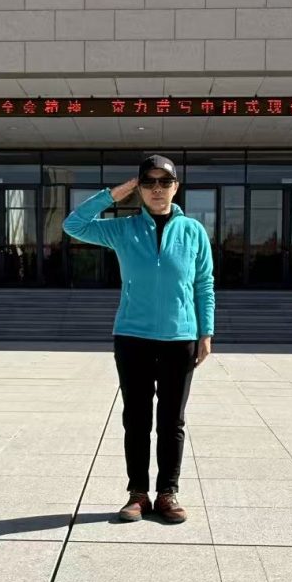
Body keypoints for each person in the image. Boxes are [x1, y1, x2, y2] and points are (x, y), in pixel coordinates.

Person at [63, 154, 215, 524]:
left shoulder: (193, 231)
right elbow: (73, 224)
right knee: (136, 419)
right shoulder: (123, 229)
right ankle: (138, 494)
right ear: (139, 188)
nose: (157, 189)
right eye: (148, 182)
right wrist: (115, 194)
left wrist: (206, 332)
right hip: (133, 337)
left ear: (176, 187)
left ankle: (167, 493)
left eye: (165, 182)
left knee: (172, 421)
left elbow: (204, 284)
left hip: (180, 337)